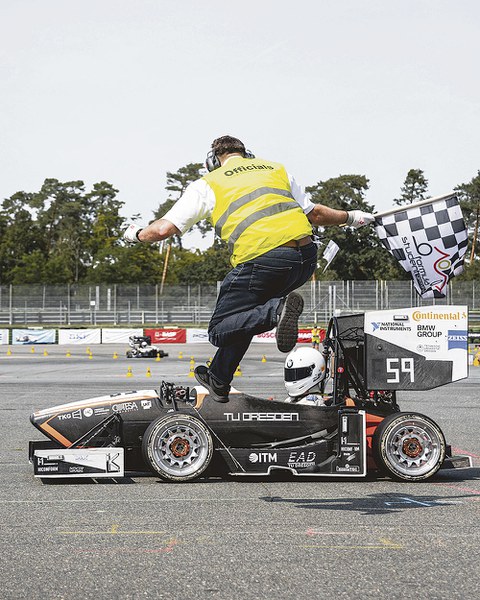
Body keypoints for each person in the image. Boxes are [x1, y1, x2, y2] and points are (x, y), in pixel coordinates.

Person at [123, 135, 374, 402]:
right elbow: (316, 214)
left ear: (213, 161)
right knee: (243, 316)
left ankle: (277, 311)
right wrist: (352, 217)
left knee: (220, 329)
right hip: (304, 259)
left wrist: (134, 235)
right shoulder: (276, 170)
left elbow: (163, 229)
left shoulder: (209, 183)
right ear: (248, 155)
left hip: (265, 260)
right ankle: (219, 379)